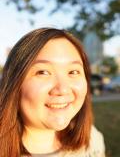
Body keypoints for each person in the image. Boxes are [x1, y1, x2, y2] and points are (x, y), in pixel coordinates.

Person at [0, 28, 105, 157]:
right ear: (14, 83)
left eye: (73, 72)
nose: (63, 89)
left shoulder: (92, 139)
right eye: (43, 72)